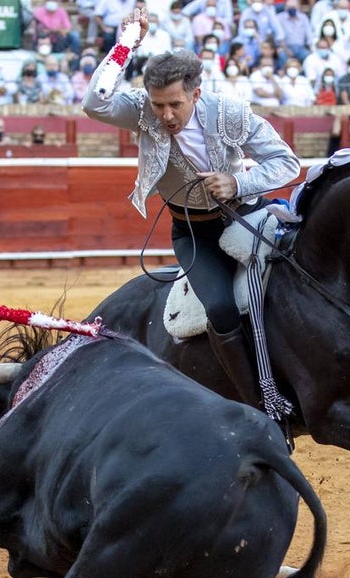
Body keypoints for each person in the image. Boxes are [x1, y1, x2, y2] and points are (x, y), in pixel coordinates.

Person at [82, 9, 300, 410]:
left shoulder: (230, 112)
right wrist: (127, 43)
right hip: (194, 233)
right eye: (158, 104)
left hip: (250, 217)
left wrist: (238, 182)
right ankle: (261, 407)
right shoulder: (142, 111)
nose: (165, 116)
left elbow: (287, 163)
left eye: (175, 105)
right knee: (219, 308)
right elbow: (95, 103)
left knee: (300, 282)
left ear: (195, 95)